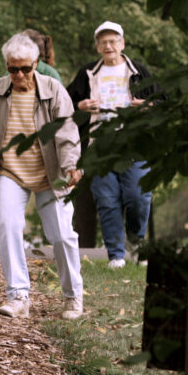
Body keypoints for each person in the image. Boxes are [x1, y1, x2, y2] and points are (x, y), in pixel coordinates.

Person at [0, 33, 84, 319]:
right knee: (7, 226)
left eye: (25, 69)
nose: (18, 74)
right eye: (12, 69)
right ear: (6, 65)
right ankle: (18, 296)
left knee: (62, 235)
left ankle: (73, 296)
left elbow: (67, 134)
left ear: (36, 64)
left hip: (51, 172)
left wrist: (69, 167)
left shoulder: (54, 90)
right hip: (10, 171)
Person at [67, 21, 157, 269]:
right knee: (107, 201)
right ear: (97, 46)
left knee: (138, 198)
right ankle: (116, 255)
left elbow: (163, 103)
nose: (109, 46)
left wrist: (148, 107)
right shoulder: (88, 73)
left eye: (113, 41)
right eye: (103, 42)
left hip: (135, 145)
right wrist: (80, 106)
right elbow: (66, 103)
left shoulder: (139, 72)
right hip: (100, 146)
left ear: (122, 44)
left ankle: (136, 243)